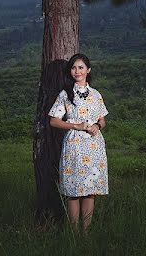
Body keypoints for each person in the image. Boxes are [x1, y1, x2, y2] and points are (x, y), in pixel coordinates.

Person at [48, 53, 108, 230]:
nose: (77, 71)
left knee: (90, 191)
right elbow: (53, 120)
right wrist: (76, 125)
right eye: (73, 68)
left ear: (88, 70)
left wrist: (97, 125)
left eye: (81, 67)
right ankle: (73, 233)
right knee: (73, 191)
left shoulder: (96, 95)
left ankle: (86, 234)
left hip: (94, 146)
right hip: (74, 146)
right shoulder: (66, 94)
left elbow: (102, 120)